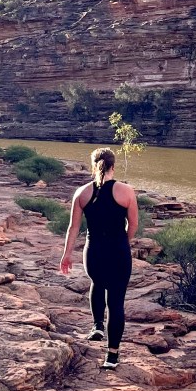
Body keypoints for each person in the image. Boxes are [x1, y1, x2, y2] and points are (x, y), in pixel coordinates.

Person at [59, 147, 138, 369]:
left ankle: (97, 327)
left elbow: (73, 227)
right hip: (118, 252)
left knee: (97, 283)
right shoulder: (126, 191)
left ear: (94, 166)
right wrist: (124, 242)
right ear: (113, 166)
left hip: (93, 252)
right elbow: (133, 225)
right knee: (116, 301)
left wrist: (66, 254)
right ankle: (112, 356)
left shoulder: (82, 193)